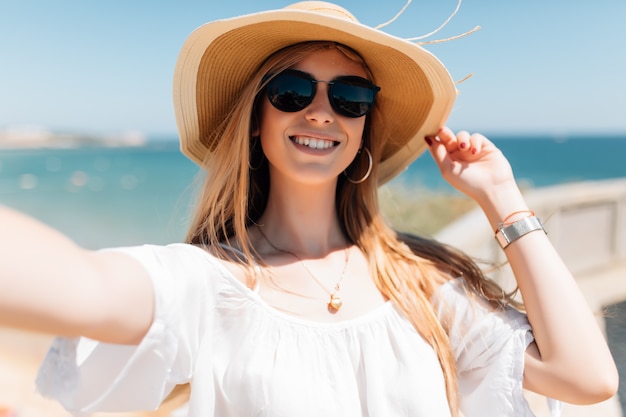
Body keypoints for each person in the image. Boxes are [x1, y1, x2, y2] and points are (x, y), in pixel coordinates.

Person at [0, 2, 618, 416]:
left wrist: (500, 196)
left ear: (364, 129)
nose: (321, 111)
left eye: (349, 96)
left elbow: (586, 377)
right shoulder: (210, 285)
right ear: (256, 120)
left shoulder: (420, 284)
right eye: (292, 91)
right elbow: (80, 284)